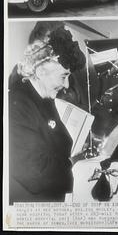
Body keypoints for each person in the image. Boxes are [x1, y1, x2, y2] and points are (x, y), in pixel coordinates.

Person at [9, 26, 86, 204]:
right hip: (28, 209)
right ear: (42, 71)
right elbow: (34, 174)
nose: (67, 85)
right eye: (64, 76)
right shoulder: (17, 104)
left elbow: (64, 143)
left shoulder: (44, 98)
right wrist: (72, 165)